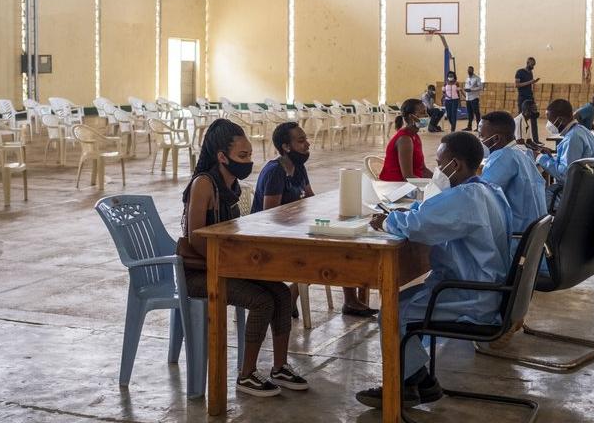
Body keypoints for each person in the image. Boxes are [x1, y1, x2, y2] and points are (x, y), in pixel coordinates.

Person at [356, 132, 513, 409]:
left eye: (440, 164)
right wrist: (411, 211)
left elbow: (418, 225)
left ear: (456, 164)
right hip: (484, 287)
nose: (437, 170)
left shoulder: (466, 198)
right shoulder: (488, 190)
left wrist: (388, 221)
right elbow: (432, 211)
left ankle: (404, 386)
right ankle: (423, 381)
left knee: (394, 313)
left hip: (471, 296)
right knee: (401, 304)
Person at [181, 118, 308, 397]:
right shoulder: (204, 184)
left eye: (249, 155)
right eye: (242, 156)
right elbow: (195, 238)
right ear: (221, 157)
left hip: (225, 265)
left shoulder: (232, 184)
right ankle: (246, 374)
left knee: (283, 295)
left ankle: (279, 366)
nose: (248, 161)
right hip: (200, 272)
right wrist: (231, 265)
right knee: (261, 300)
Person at [252, 122, 378, 318]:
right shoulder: (275, 172)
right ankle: (293, 292)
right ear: (286, 147)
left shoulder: (298, 167)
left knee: (343, 242)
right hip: (273, 237)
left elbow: (310, 197)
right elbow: (269, 215)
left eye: (306, 139)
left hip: (295, 228)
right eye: (301, 141)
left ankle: (350, 300)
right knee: (327, 251)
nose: (307, 144)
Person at [479, 111, 547, 254]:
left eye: (482, 136)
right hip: (534, 240)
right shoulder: (523, 154)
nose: (480, 140)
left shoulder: (503, 157)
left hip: (515, 243)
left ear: (496, 138)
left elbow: (480, 199)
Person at [534, 99, 594, 205]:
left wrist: (539, 158)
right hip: (587, 187)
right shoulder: (583, 131)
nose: (549, 124)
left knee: (535, 197)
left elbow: (564, 176)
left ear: (561, 120)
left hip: (574, 193)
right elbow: (572, 163)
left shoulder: (572, 138)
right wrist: (551, 158)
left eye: (551, 120)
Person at [378, 98, 434, 181]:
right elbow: (408, 177)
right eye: (422, 113)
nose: (426, 116)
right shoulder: (405, 139)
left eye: (426, 112)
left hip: (410, 183)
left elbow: (423, 169)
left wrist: (438, 181)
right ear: (411, 117)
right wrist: (428, 185)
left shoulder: (415, 136)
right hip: (396, 185)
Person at [515, 57, 541, 142]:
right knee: (521, 119)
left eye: (534, 65)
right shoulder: (520, 72)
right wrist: (530, 82)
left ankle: (536, 140)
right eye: (532, 64)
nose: (533, 66)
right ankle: (520, 139)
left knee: (534, 118)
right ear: (527, 62)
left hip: (530, 97)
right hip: (522, 98)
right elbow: (517, 85)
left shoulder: (530, 73)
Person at [464, 66, 483, 131]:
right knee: (469, 113)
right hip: (468, 98)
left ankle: (478, 127)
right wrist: (466, 90)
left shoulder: (477, 78)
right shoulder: (467, 79)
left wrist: (471, 89)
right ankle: (469, 126)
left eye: (470, 70)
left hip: (474, 98)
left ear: (473, 70)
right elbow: (466, 86)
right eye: (468, 70)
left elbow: (480, 87)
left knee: (476, 113)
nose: (469, 71)